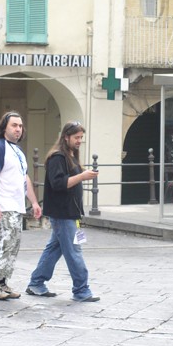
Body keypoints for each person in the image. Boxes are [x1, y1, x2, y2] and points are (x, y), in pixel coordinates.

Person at [26, 121, 100, 302]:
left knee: (54, 249)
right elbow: (58, 184)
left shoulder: (70, 155)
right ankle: (81, 290)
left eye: (81, 137)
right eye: (76, 137)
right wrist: (82, 176)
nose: (79, 141)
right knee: (74, 251)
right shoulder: (58, 157)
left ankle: (36, 283)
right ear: (66, 137)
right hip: (62, 213)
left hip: (70, 213)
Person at [0, 111, 42, 300]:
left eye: (20, 126)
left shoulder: (17, 151)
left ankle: (2, 282)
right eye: (14, 125)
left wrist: (33, 201)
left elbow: (24, 178)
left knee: (13, 243)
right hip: (4, 203)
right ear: (4, 127)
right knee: (6, 242)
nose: (18, 129)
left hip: (16, 205)